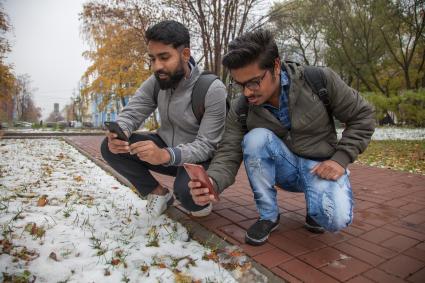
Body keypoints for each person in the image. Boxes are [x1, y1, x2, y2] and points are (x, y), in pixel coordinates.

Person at [189, 29, 375, 246]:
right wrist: (213, 181)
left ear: (276, 66)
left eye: (254, 82)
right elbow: (229, 150)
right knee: (255, 138)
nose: (247, 93)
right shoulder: (242, 108)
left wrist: (340, 159)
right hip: (284, 170)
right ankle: (268, 216)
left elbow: (363, 116)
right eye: (239, 85)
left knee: (335, 220)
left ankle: (315, 208)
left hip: (320, 166)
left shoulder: (318, 80)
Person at [101, 20, 227, 218]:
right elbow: (133, 111)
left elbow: (207, 145)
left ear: (185, 54)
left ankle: (196, 193)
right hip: (165, 148)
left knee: (190, 198)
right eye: (152, 58)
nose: (156, 66)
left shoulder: (212, 89)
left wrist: (166, 155)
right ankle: (158, 194)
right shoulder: (157, 81)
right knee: (109, 147)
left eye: (164, 57)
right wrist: (121, 132)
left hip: (199, 160)